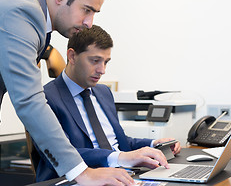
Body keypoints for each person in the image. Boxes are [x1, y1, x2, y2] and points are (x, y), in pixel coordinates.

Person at [0, 0, 134, 186]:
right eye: (86, 10)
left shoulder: (35, 23)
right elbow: (28, 100)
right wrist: (81, 172)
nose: (89, 22)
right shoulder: (20, 16)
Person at [34, 26, 181, 181]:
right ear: (72, 56)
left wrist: (153, 144)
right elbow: (61, 154)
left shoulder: (103, 92)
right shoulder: (44, 98)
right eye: (95, 61)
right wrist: (120, 157)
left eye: (106, 62)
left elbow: (118, 142)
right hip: (79, 179)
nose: (102, 70)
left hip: (122, 174)